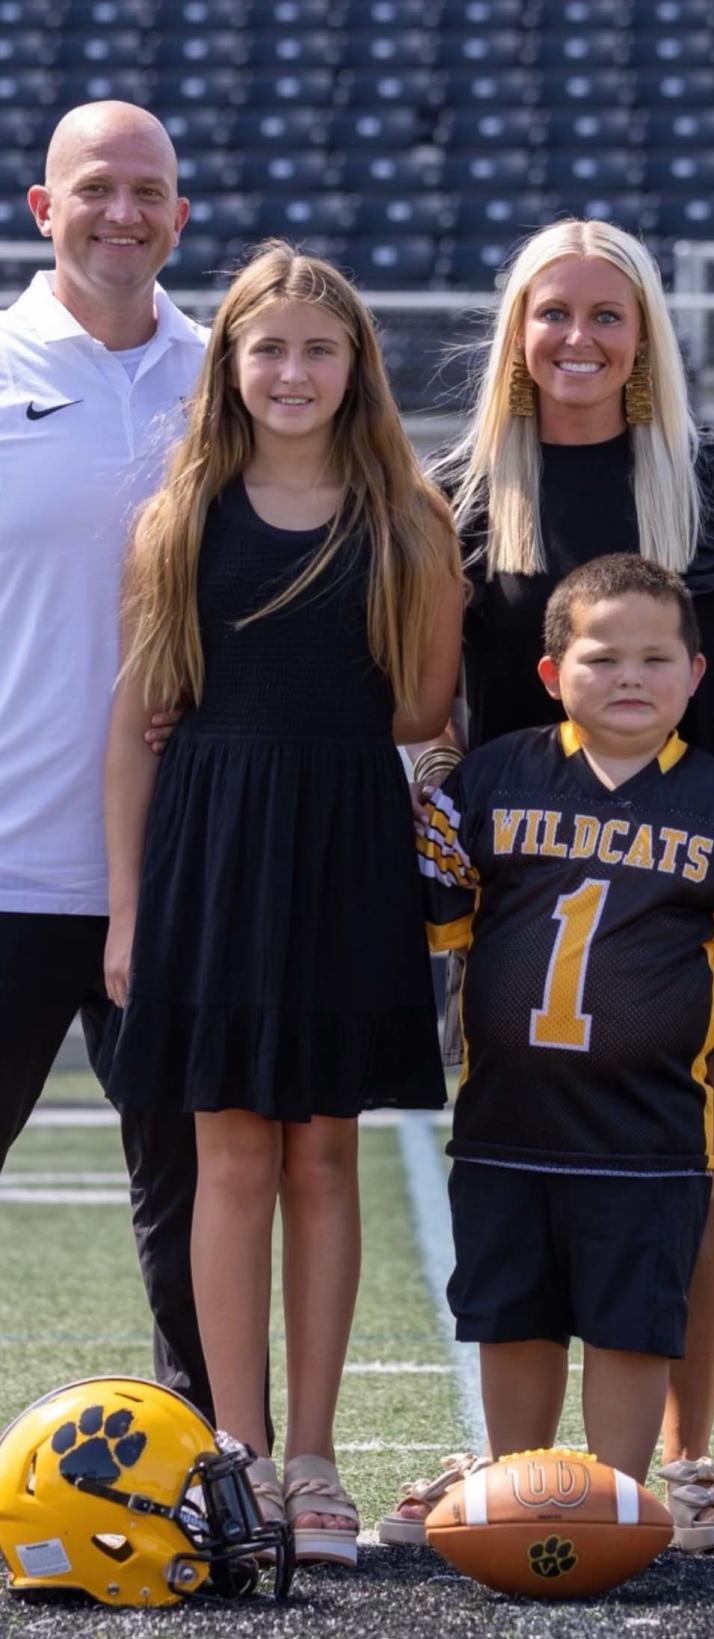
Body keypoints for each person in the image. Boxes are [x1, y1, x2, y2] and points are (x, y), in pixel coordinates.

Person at [382, 217, 714, 1548]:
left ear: (645, 335)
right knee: (512, 1157)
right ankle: (513, 1456)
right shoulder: (462, 486)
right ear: (514, 329)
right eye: (550, 312)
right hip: (516, 880)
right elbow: (428, 689)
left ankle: (683, 1459)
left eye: (606, 314)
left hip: (680, 874)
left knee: (686, 1161)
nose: (577, 339)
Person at [99, 242, 463, 1566]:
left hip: (340, 844)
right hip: (208, 846)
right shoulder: (178, 516)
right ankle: (238, 1453)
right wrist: (130, 910)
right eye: (270, 348)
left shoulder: (408, 515)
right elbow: (135, 726)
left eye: (320, 348)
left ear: (355, 364)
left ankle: (316, 1456)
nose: (294, 370)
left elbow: (422, 708)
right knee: (230, 1152)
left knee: (323, 1153)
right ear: (231, 364)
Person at [415, 554, 714, 1485]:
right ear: (552, 675)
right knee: (510, 1316)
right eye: (602, 659)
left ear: (695, 674)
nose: (630, 676)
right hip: (504, 1126)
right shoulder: (490, 781)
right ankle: (516, 1490)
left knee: (630, 1326)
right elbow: (439, 908)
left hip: (648, 1136)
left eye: (654, 658)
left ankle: (620, 1500)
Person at [0, 101, 213, 1413]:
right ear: (43, 207)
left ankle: (205, 1464)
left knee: (189, 1194)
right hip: (11, 858)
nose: (123, 211)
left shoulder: (233, 372)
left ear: (181, 217)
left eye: (148, 191)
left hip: (180, 865)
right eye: (97, 188)